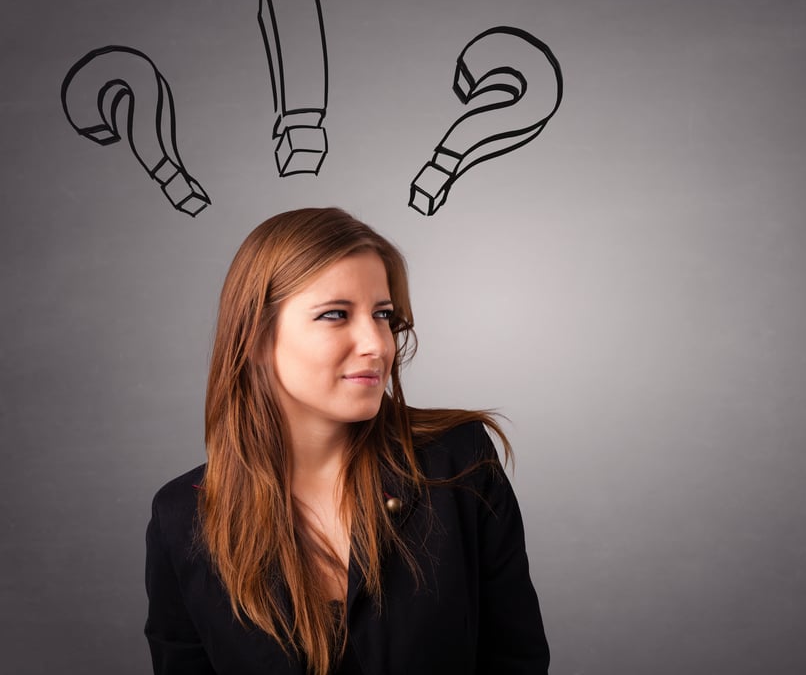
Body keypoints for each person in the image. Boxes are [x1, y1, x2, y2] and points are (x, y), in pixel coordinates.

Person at [144, 207, 549, 675]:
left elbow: (517, 660)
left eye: (383, 315)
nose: (377, 344)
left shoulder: (456, 461)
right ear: (254, 336)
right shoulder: (182, 518)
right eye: (335, 315)